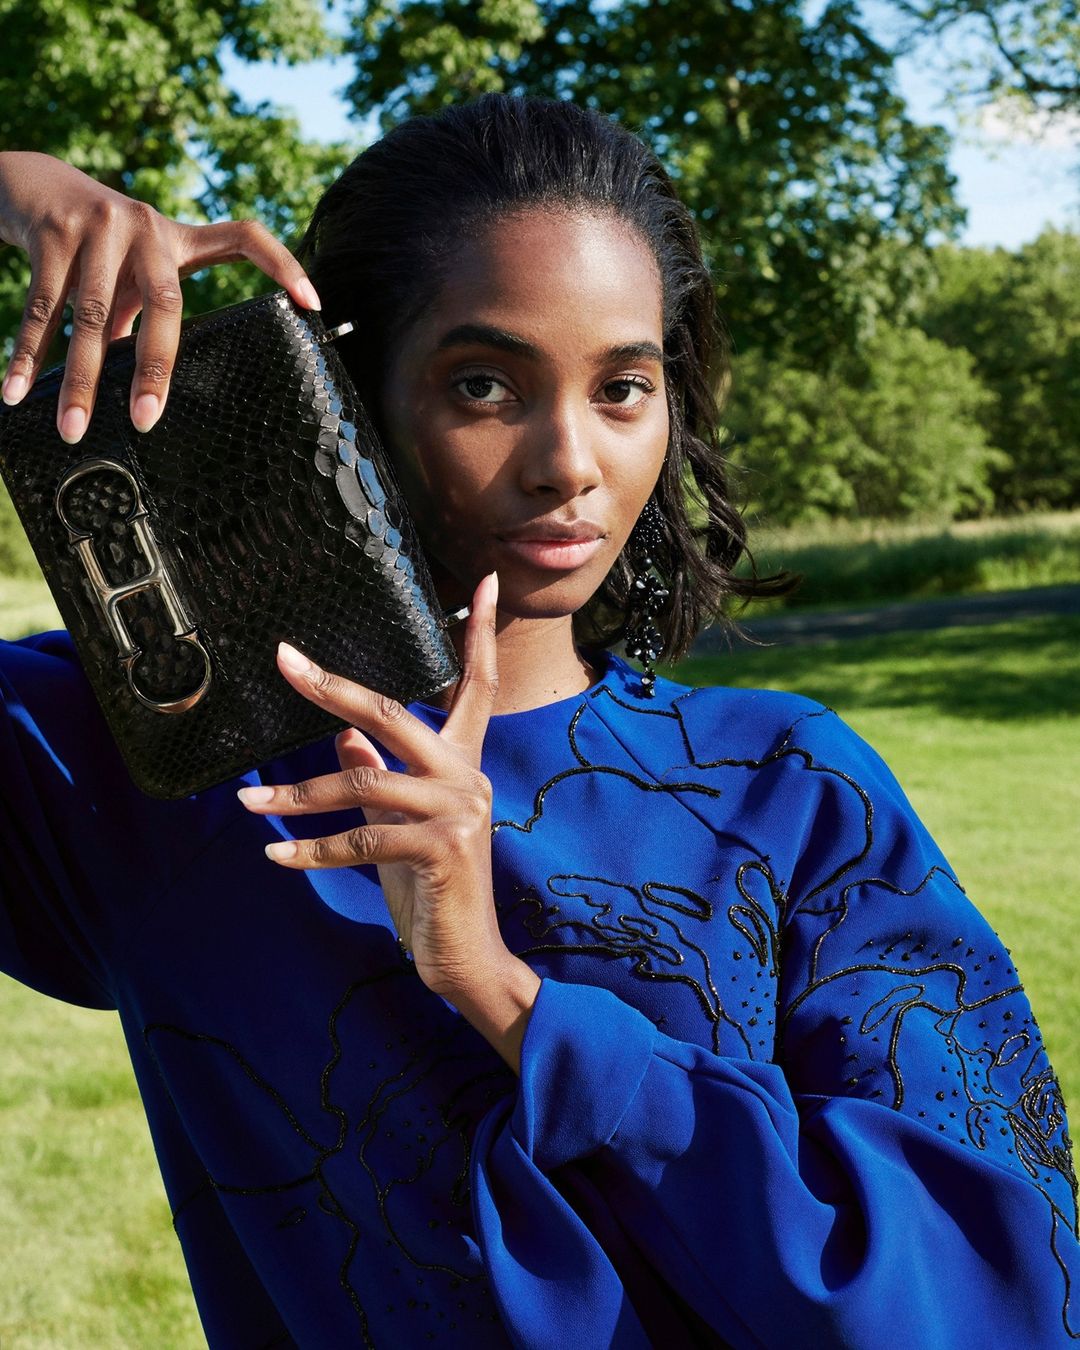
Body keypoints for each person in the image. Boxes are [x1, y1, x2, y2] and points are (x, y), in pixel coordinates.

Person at [0, 95, 1076, 1349]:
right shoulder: (158, 771)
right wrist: (13, 185)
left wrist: (510, 999)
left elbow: (1003, 1292)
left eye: (623, 387)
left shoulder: (790, 791)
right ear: (343, 395)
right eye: (484, 384)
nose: (569, 459)